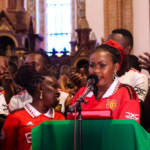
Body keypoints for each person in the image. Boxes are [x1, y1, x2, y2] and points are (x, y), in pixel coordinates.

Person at [70, 40, 140, 123]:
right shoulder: (81, 93)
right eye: (92, 66)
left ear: (115, 67)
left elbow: (127, 129)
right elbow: (71, 127)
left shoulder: (126, 93)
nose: (96, 70)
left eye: (102, 65)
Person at [70, 29, 148, 103]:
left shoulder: (137, 78)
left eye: (112, 46)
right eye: (106, 45)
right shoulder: (101, 76)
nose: (107, 50)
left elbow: (136, 108)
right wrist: (86, 87)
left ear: (127, 49)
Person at [1, 65, 65, 150]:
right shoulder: (15, 117)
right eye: (54, 87)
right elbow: (6, 147)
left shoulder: (60, 117)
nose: (58, 92)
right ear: (40, 88)